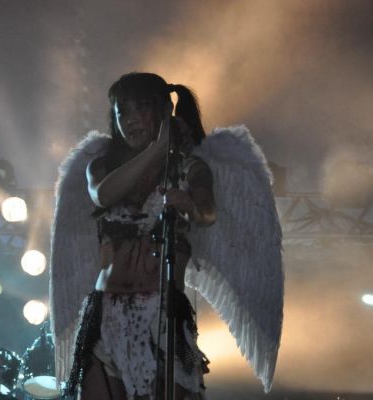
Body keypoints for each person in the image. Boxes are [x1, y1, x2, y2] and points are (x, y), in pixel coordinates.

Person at [50, 72, 284, 400]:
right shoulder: (100, 167)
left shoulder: (190, 168)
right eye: (121, 112)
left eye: (140, 108)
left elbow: (208, 213)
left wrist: (188, 202)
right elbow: (103, 195)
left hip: (161, 315)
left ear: (164, 111)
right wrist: (158, 149)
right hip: (105, 313)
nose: (130, 120)